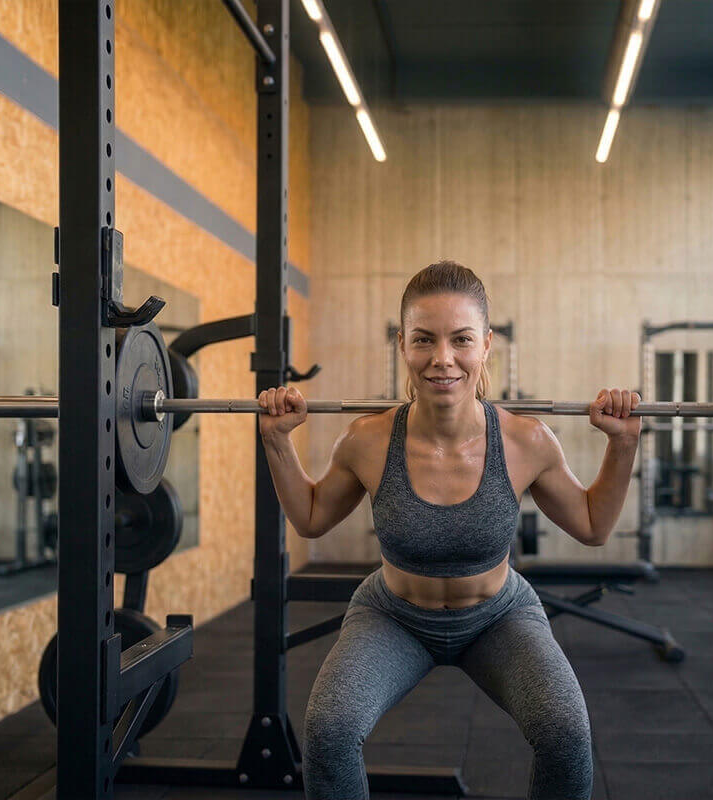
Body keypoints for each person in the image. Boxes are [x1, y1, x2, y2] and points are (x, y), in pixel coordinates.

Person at [258, 260, 641, 800]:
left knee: (566, 733)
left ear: (486, 344)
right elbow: (312, 517)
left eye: (461, 339)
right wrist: (277, 442)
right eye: (424, 340)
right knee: (330, 731)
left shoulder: (526, 441)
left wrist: (622, 445)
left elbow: (594, 525)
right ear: (402, 346)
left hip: (499, 617)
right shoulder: (367, 441)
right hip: (393, 616)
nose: (443, 359)